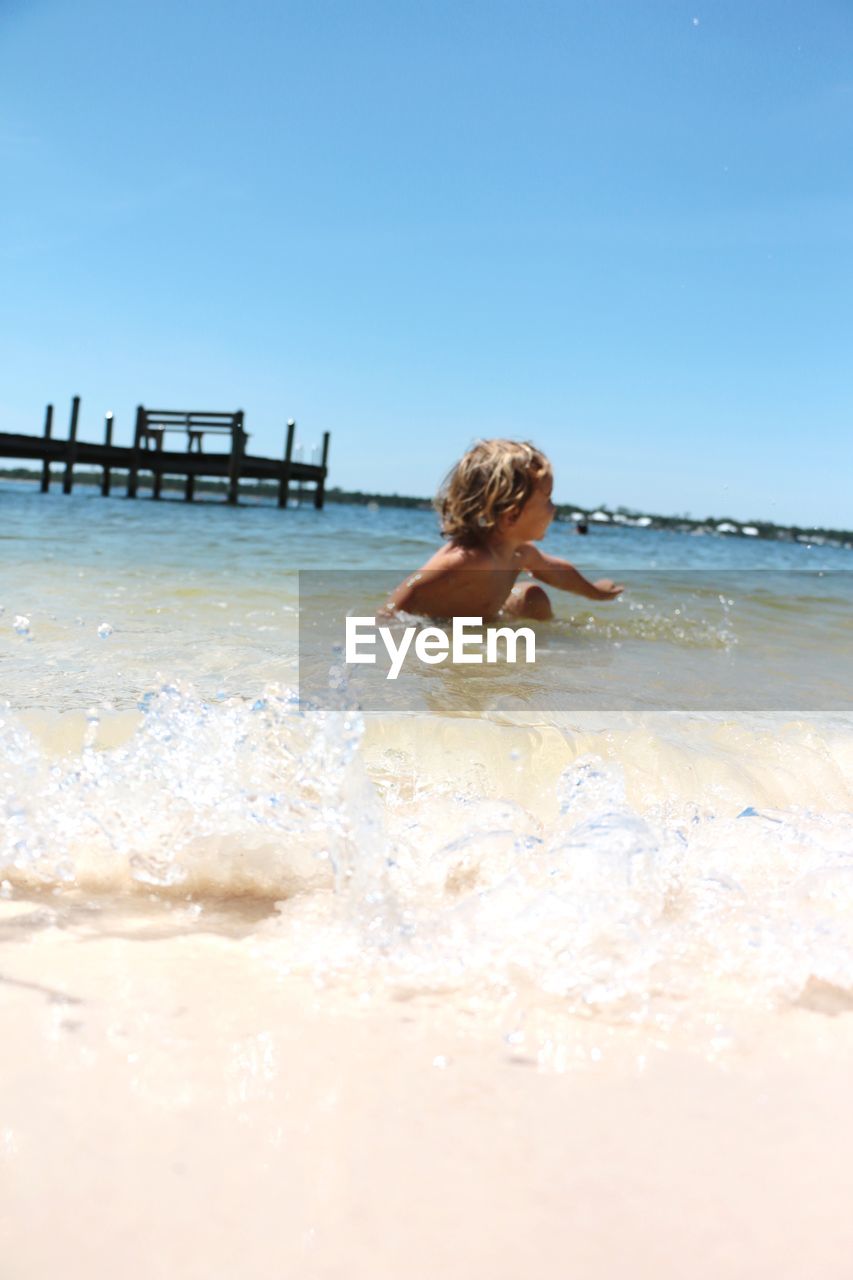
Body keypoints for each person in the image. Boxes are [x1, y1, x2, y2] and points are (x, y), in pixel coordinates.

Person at [387, 439, 624, 621]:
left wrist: (597, 592)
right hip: (441, 626)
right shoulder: (465, 560)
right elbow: (406, 596)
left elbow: (559, 572)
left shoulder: (520, 553)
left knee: (532, 598)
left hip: (488, 618)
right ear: (512, 515)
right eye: (548, 500)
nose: (554, 509)